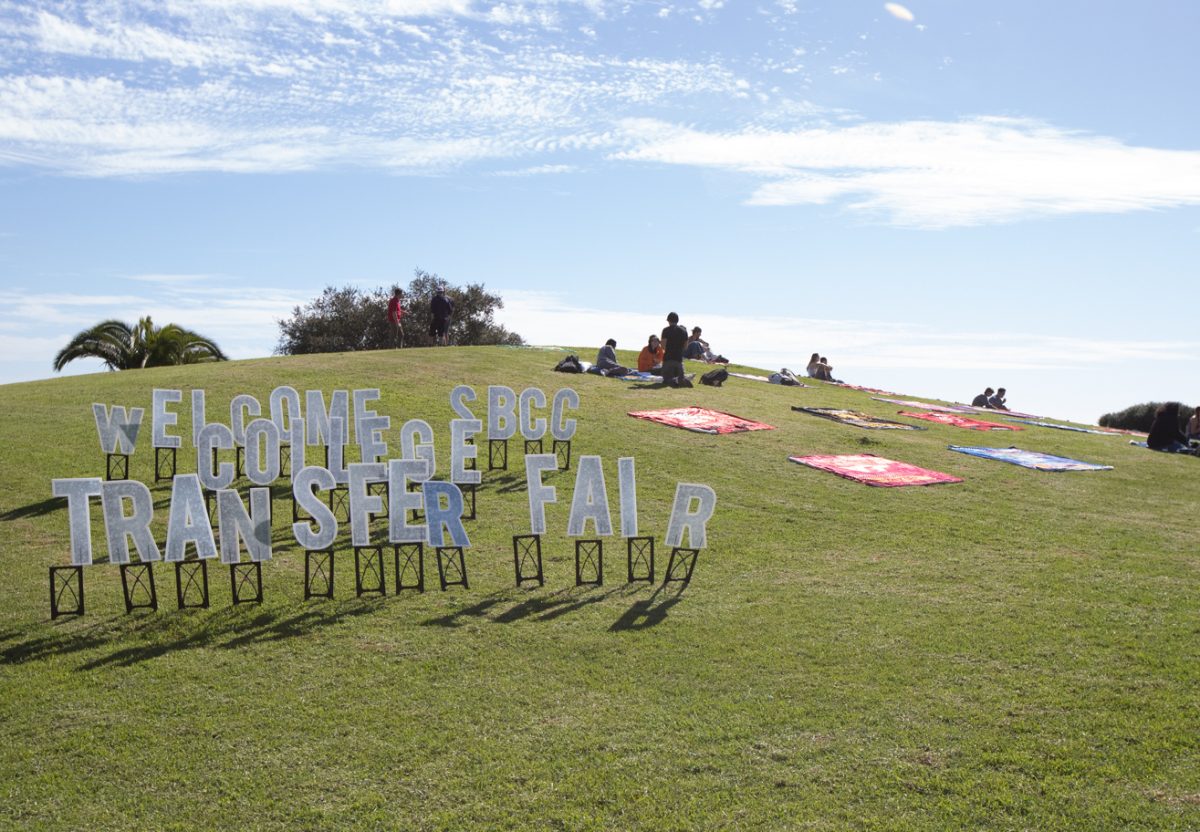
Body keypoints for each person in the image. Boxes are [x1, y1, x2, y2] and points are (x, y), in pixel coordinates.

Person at [660, 312, 690, 387]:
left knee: (666, 377)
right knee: (680, 376)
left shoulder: (665, 330)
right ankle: (680, 380)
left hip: (668, 359)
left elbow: (663, 346)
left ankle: (671, 381)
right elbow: (686, 347)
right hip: (679, 360)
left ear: (669, 321)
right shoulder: (684, 331)